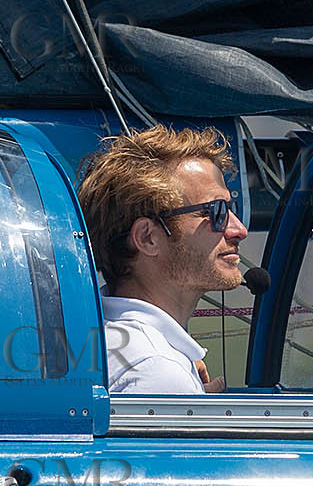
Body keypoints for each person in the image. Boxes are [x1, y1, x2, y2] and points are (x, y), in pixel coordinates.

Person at [77, 125, 249, 394]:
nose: (239, 230)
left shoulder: (97, 339)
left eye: (231, 209)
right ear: (147, 237)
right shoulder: (156, 369)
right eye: (217, 211)